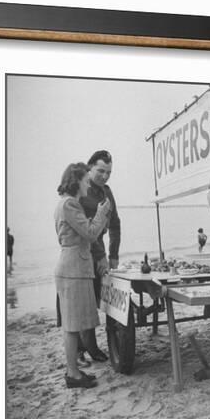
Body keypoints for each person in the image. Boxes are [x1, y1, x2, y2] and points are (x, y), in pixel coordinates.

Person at [54, 162, 111, 388]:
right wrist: (101, 213)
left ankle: (74, 371)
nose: (89, 184)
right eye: (86, 180)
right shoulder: (69, 204)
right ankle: (73, 374)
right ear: (77, 181)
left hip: (73, 268)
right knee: (71, 326)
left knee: (72, 325)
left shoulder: (67, 204)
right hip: (73, 270)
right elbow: (90, 233)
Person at [78, 150, 121, 362]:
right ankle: (86, 348)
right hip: (82, 252)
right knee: (84, 302)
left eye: (109, 173)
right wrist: (101, 256)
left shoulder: (107, 191)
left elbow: (115, 224)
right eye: (101, 171)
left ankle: (90, 346)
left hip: (101, 248)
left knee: (97, 298)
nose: (104, 176)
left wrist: (113, 255)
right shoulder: (81, 191)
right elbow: (87, 231)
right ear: (90, 167)